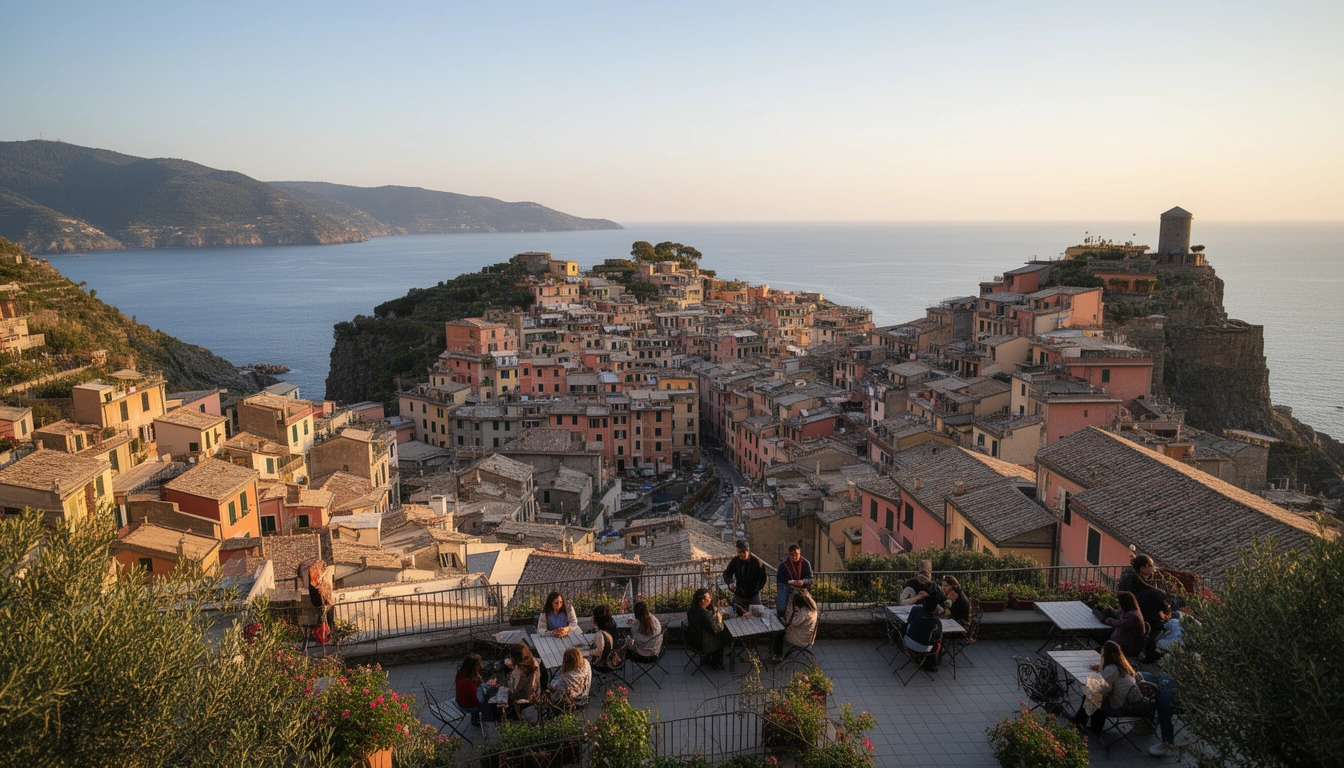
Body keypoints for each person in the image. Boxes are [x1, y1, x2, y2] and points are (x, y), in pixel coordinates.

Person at [1073, 640, 1153, 734]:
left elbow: (1104, 689)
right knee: (1093, 696)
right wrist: (1100, 668)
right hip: (1131, 702)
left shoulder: (1111, 669)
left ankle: (1088, 726)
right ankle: (1081, 721)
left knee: (1092, 696)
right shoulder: (1124, 666)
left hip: (1121, 707)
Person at [686, 586, 730, 669]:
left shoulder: (691, 611)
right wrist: (719, 620)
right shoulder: (706, 615)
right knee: (722, 635)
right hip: (704, 644)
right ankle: (717, 663)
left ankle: (708, 658)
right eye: (707, 598)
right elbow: (717, 629)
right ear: (701, 602)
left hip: (693, 641)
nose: (710, 599)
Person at [722, 540, 770, 616]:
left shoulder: (757, 562)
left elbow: (763, 579)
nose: (741, 555)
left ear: (748, 551)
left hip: (753, 595)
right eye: (739, 553)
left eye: (743, 552)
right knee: (734, 614)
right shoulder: (735, 561)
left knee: (757, 616)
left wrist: (756, 589)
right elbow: (727, 574)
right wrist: (730, 583)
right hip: (739, 594)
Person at [1097, 591, 1147, 659]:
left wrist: (1108, 621)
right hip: (1120, 643)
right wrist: (1109, 610)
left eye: (1119, 602)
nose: (1118, 604)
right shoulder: (1126, 611)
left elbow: (1120, 623)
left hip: (1127, 648)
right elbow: (1117, 614)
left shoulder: (1133, 616)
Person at [773, 588, 818, 659]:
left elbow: (794, 622)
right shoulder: (812, 608)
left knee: (779, 634)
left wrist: (796, 612)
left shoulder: (804, 612)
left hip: (799, 638)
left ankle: (778, 655)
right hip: (807, 636)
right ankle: (777, 655)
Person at [456, 653, 499, 723]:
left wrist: (486, 684)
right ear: (475, 666)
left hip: (460, 701)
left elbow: (477, 687)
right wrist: (488, 690)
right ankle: (487, 720)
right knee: (491, 697)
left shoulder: (462, 672)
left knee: (489, 689)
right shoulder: (468, 681)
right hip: (468, 706)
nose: (481, 666)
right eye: (479, 664)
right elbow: (476, 701)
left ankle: (480, 716)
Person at [503, 643, 540, 721]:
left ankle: (513, 716)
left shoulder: (520, 672)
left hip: (523, 698)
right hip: (535, 692)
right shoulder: (533, 661)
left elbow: (514, 689)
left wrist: (509, 679)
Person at [775, 544, 813, 617]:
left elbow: (810, 578)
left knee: (809, 607)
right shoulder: (783, 564)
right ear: (788, 554)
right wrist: (790, 582)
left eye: (796, 554)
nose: (794, 557)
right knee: (782, 599)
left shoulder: (805, 563)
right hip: (787, 587)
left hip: (802, 588)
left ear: (800, 553)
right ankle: (781, 614)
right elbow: (780, 580)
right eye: (792, 555)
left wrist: (803, 582)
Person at [902, 603, 943, 668]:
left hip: (906, 641)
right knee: (939, 642)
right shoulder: (936, 622)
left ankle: (923, 659)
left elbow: (908, 621)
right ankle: (934, 660)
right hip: (922, 648)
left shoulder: (915, 610)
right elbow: (938, 638)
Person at [589, 605, 625, 673]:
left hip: (603, 663)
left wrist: (588, 652)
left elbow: (599, 652)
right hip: (612, 657)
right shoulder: (611, 624)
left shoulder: (600, 634)